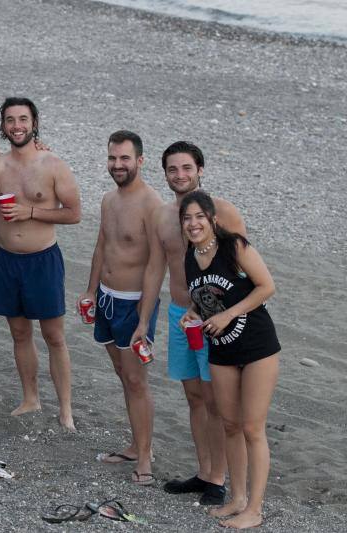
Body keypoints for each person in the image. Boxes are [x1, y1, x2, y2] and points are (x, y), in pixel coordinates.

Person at [131, 141, 246, 505]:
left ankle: (219, 479)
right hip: (181, 316)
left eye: (186, 168)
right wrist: (143, 320)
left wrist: (225, 313)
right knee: (194, 397)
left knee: (218, 401)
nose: (180, 175)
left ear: (200, 169)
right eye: (172, 170)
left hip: (215, 318)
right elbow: (154, 269)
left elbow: (243, 267)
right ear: (164, 174)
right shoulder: (162, 217)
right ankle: (204, 471)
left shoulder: (223, 212)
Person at [180, 190, 280, 529]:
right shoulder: (190, 257)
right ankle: (236, 498)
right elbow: (205, 294)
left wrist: (229, 315)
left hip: (257, 346)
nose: (193, 224)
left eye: (199, 217)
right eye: (187, 218)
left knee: (253, 427)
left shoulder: (234, 247)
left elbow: (266, 287)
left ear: (212, 219)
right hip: (220, 348)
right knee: (230, 425)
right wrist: (193, 313)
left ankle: (254, 508)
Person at [0, 97, 81, 430]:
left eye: (23, 119)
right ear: (3, 126)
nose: (17, 126)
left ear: (34, 122)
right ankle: (30, 398)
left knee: (54, 336)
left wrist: (31, 212)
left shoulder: (53, 164)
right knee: (19, 333)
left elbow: (73, 213)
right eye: (10, 120)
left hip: (43, 259)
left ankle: (65, 409)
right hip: (9, 261)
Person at [79, 130, 163, 485]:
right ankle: (134, 443)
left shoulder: (151, 204)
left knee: (136, 380)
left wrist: (145, 318)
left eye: (125, 159)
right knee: (123, 377)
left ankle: (145, 457)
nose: (117, 165)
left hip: (134, 305)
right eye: (113, 158)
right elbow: (102, 245)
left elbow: (158, 264)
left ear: (140, 161)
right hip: (107, 299)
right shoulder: (108, 200)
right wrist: (91, 291)